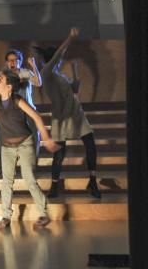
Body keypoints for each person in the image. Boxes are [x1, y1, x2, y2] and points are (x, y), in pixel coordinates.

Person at [0, 69, 59, 230]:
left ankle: (43, 214)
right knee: (6, 182)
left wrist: (46, 137)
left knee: (29, 178)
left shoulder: (17, 100)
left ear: (9, 87)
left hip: (25, 143)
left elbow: (36, 117)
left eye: (0, 80)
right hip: (7, 147)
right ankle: (6, 216)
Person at [35, 27, 101, 199]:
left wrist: (75, 77)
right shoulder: (46, 73)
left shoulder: (58, 76)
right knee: (60, 152)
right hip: (61, 117)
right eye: (57, 58)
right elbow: (59, 55)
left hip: (76, 113)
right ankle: (54, 185)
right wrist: (70, 38)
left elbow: (73, 91)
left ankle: (92, 181)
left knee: (90, 144)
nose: (60, 60)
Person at [0, 49, 42, 175]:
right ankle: (2, 167)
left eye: (15, 60)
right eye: (9, 60)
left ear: (19, 61)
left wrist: (33, 65)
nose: (12, 62)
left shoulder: (25, 73)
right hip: (11, 112)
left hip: (27, 110)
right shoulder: (4, 75)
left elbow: (38, 82)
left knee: (35, 135)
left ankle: (31, 166)